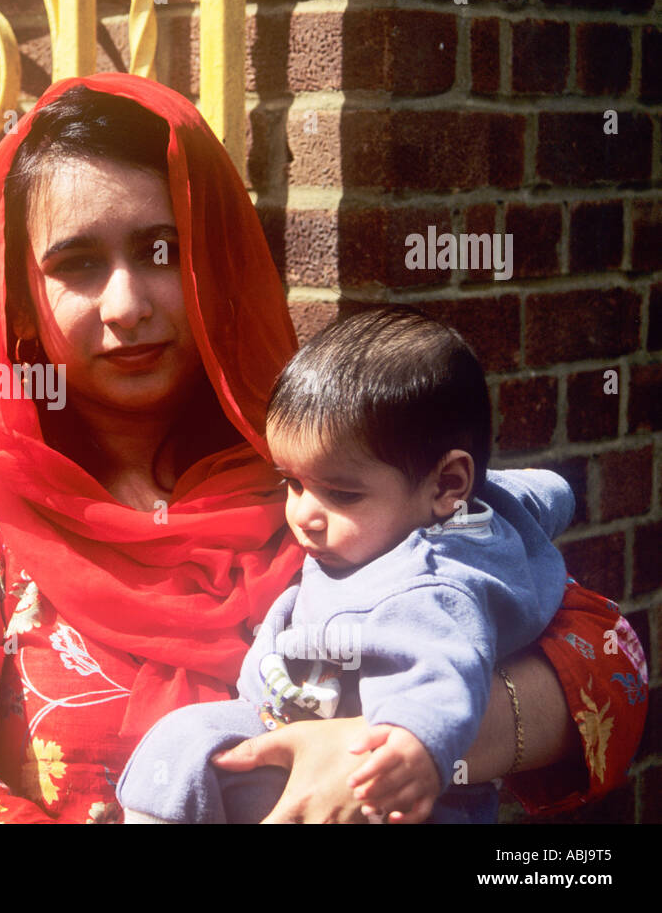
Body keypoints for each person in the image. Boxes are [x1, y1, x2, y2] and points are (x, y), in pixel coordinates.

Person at [0, 74, 647, 823]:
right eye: (76, 265)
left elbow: (608, 661)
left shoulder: (327, 480)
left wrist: (395, 751)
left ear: (216, 258)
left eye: (160, 250)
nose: (127, 303)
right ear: (22, 303)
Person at [117, 307, 576, 824]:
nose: (304, 515)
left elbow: (445, 661)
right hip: (298, 728)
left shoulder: (430, 582)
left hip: (385, 793)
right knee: (184, 743)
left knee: (181, 749)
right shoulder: (429, 519)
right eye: (292, 482)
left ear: (448, 485)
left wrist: (414, 743)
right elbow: (525, 495)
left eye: (341, 493)